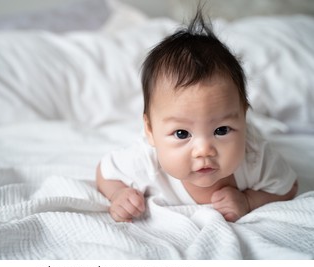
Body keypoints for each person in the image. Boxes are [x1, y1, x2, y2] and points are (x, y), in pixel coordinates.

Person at [96, 10, 298, 223]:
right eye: (182, 133)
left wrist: (248, 200)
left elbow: (289, 186)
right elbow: (105, 172)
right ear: (150, 131)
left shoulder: (255, 158)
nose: (204, 150)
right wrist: (118, 194)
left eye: (221, 130)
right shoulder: (146, 161)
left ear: (242, 119)